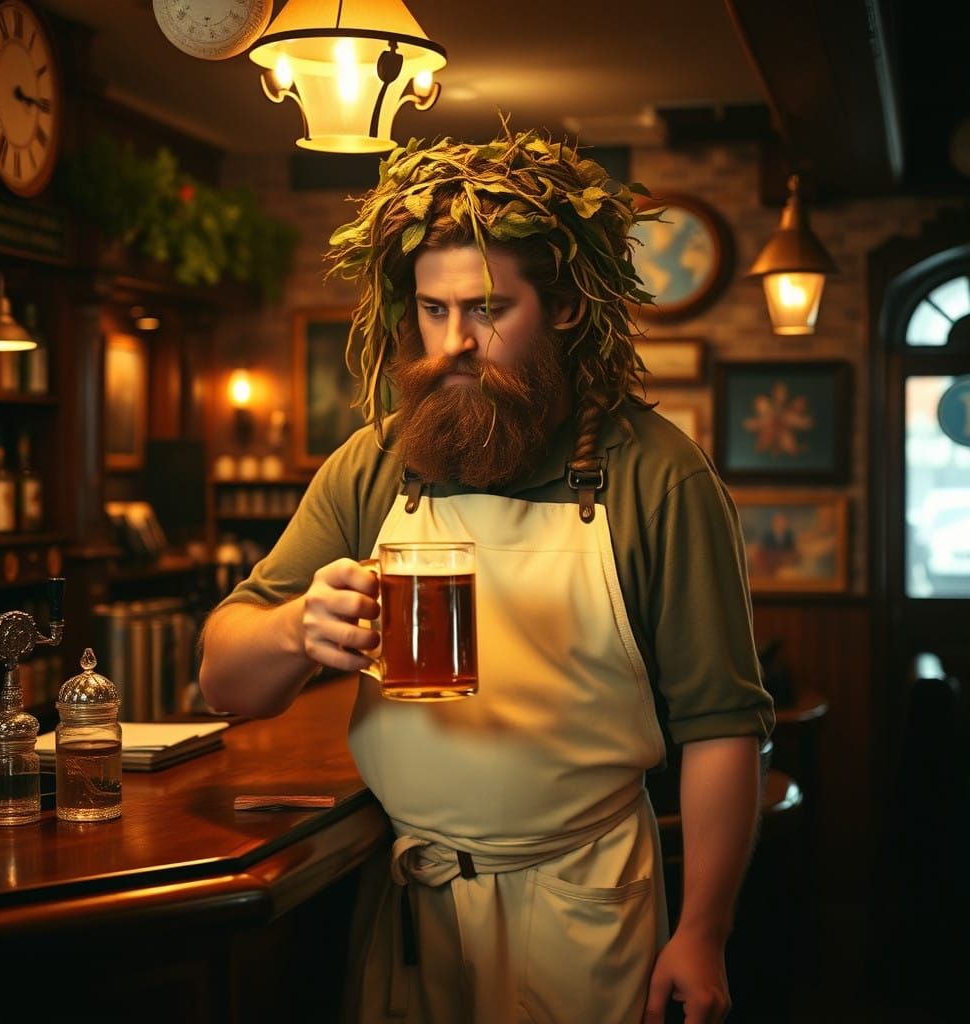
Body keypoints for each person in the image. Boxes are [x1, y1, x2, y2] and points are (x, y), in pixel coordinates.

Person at [199, 123, 775, 1024]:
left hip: (584, 903)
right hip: (411, 898)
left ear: (566, 307)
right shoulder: (376, 463)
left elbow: (722, 731)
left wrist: (704, 930)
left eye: (488, 310)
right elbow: (221, 680)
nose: (454, 342)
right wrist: (289, 629)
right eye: (434, 310)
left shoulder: (657, 475)